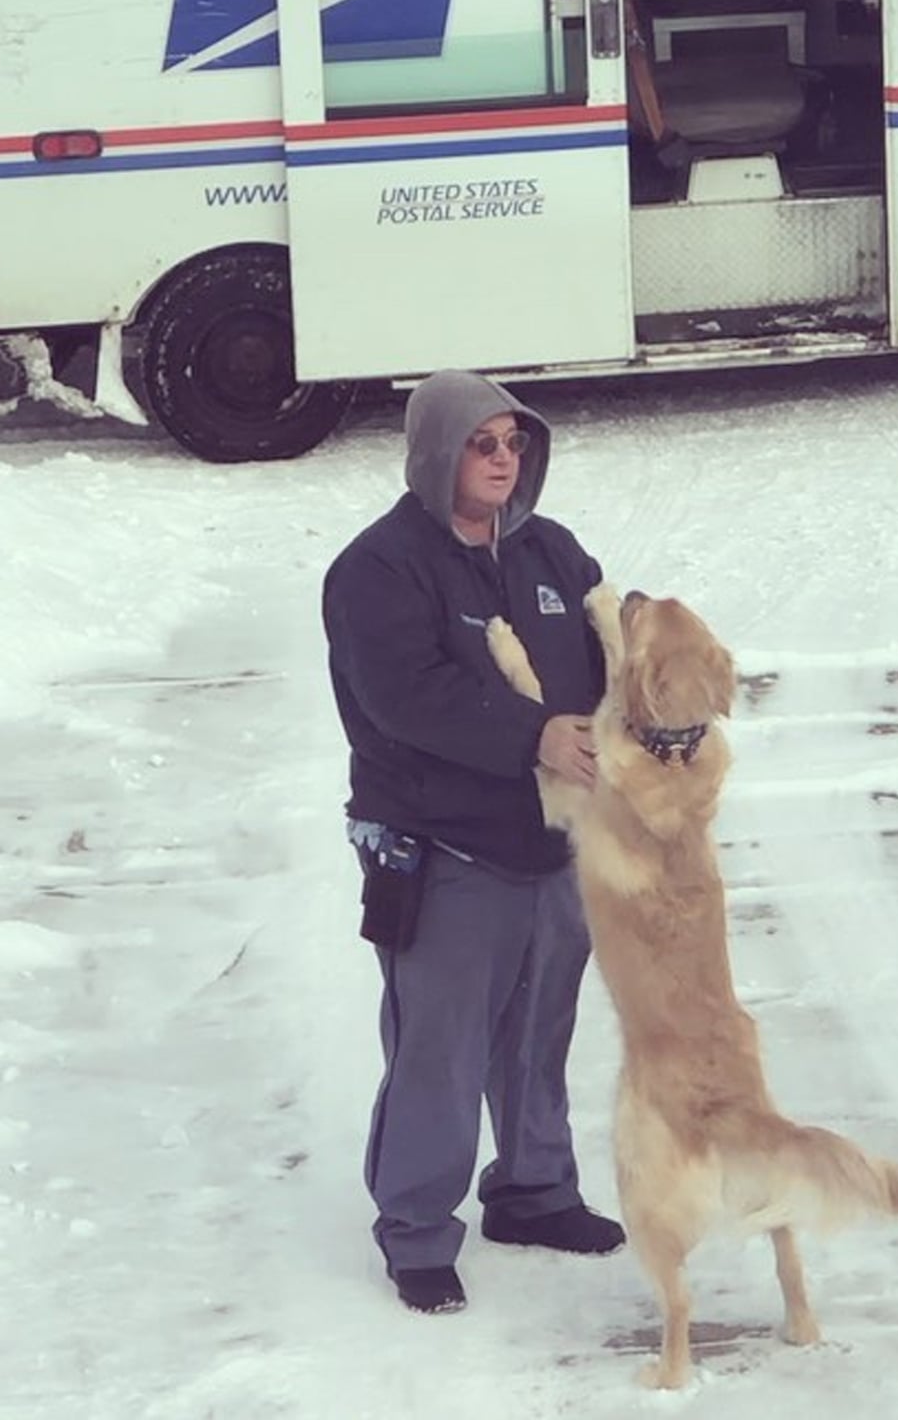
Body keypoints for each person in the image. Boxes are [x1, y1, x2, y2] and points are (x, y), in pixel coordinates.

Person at [322, 371, 625, 1317]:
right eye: (482, 444)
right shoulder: (378, 569)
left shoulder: (550, 550)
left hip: (551, 839)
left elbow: (608, 656)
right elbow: (402, 698)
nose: (503, 460)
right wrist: (529, 735)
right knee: (439, 1049)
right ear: (434, 454)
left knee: (540, 1032)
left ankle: (534, 1193)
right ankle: (415, 1230)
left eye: (514, 442)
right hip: (440, 844)